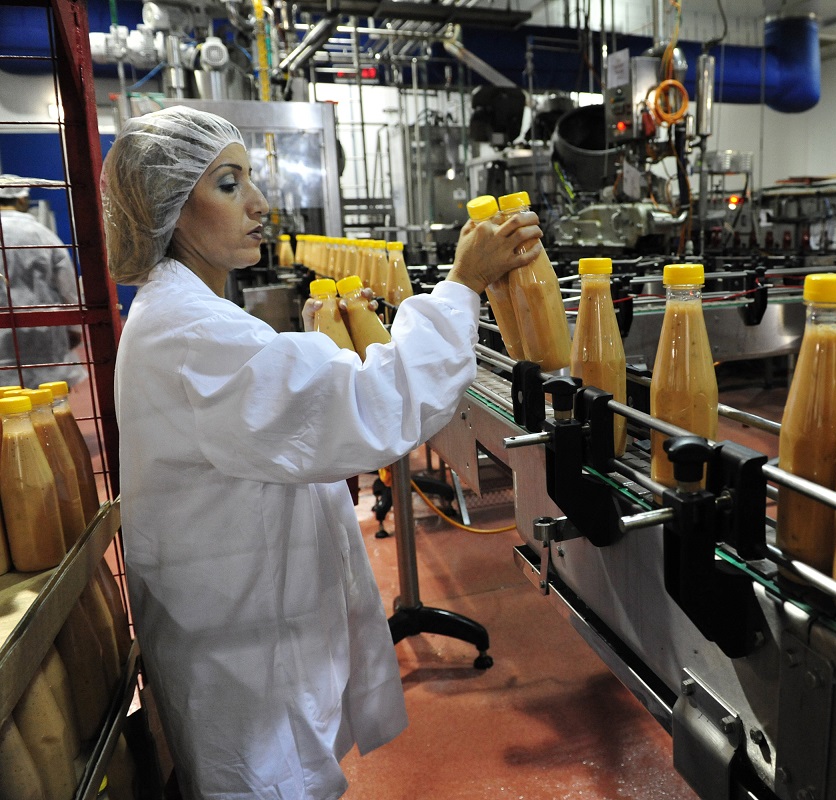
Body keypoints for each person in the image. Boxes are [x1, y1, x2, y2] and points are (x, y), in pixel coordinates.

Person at [100, 106, 543, 799]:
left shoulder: (187, 316)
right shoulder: (190, 334)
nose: (259, 205)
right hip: (242, 659)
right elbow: (372, 409)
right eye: (228, 185)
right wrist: (461, 286)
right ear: (170, 206)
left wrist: (307, 351)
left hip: (241, 631)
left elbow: (276, 411)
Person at [0, 174, 87, 387]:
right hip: (45, 339)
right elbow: (68, 288)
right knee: (48, 409)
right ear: (21, 199)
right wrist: (75, 329)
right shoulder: (43, 235)